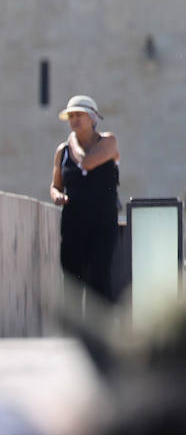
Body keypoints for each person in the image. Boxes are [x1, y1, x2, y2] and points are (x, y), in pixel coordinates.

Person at [49, 95, 120, 306]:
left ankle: (101, 336)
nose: (74, 120)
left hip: (103, 223)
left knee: (99, 278)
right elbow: (55, 185)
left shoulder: (108, 141)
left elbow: (87, 163)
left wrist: (73, 141)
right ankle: (72, 334)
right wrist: (57, 196)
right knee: (72, 281)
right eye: (71, 116)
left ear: (92, 117)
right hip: (73, 224)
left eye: (79, 115)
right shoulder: (62, 152)